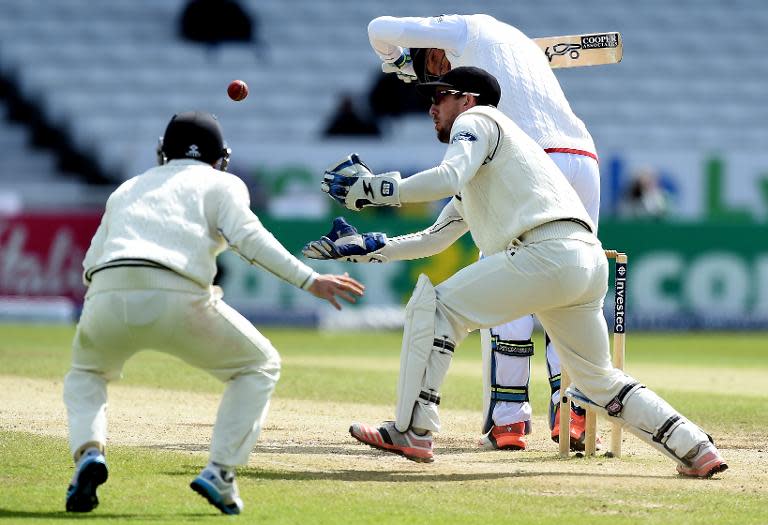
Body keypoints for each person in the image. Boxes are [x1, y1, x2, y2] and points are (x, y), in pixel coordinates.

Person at [319, 66, 727, 478]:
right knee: (598, 381)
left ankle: (412, 430)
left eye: (439, 97)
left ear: (467, 99)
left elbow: (446, 176)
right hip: (582, 261)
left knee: (435, 309)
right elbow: (433, 239)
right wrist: (369, 249)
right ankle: (694, 447)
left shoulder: (477, 120)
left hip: (543, 253)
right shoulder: (492, 167)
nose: (431, 108)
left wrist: (372, 189)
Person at [62, 111, 364, 515]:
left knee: (86, 373)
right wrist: (310, 279)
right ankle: (220, 471)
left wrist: (114, 302)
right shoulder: (223, 183)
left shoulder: (128, 188)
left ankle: (88, 455)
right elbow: (249, 239)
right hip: (178, 292)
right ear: (220, 156)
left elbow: (88, 265)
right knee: (260, 365)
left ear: (162, 152)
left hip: (106, 291)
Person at [367, 14, 602, 451]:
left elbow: (379, 27)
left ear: (431, 49)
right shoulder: (519, 48)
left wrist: (394, 60)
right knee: (570, 290)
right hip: (581, 158)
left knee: (507, 285)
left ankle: (509, 420)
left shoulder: (463, 28)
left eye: (432, 73)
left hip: (528, 162)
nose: (438, 85)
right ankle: (572, 412)